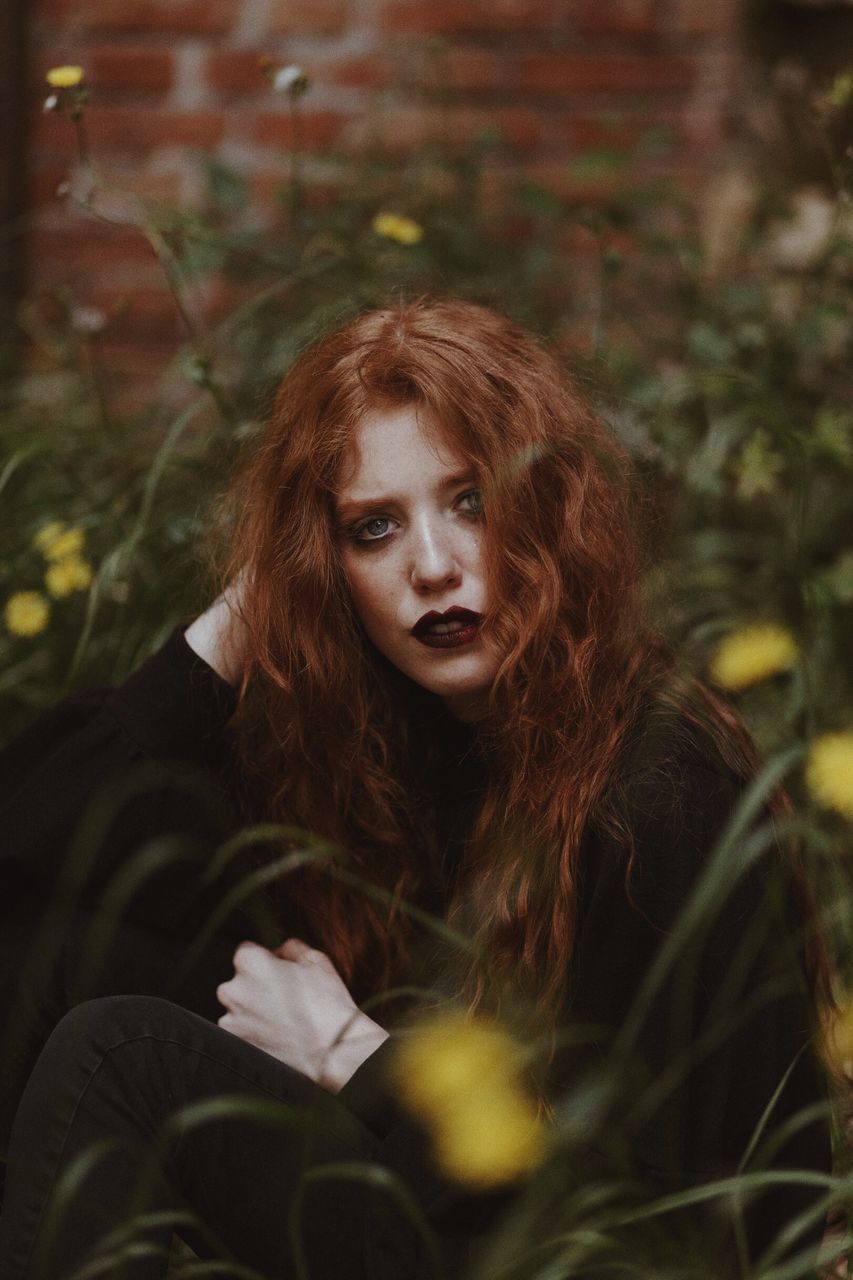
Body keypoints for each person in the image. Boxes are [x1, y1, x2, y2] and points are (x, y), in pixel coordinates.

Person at [0, 299, 833, 1279]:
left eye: (469, 501)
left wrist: (356, 1053)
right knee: (65, 947)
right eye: (372, 528)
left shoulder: (654, 793)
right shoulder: (418, 751)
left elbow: (638, 1212)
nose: (431, 566)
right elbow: (31, 828)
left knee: (118, 1054)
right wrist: (247, 612)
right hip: (451, 1217)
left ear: (549, 511)